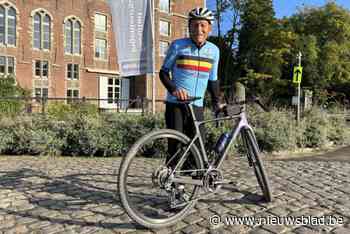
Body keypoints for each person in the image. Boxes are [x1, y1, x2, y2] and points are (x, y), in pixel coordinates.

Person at [159, 7, 221, 170]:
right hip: (176, 104)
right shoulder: (178, 46)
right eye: (194, 25)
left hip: (197, 105)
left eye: (202, 25)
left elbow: (213, 80)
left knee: (198, 147)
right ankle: (172, 182)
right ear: (189, 27)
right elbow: (163, 73)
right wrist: (174, 90)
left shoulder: (214, 51)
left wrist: (217, 103)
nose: (198, 30)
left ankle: (194, 181)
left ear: (209, 27)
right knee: (175, 146)